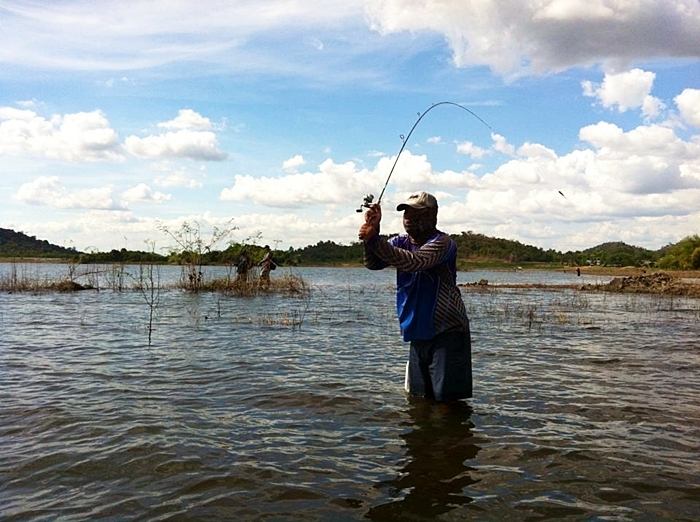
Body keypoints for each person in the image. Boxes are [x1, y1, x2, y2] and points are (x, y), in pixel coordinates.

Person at [359, 192, 472, 402]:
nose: (409, 217)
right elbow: (373, 263)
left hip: (447, 332)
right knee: (419, 401)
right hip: (418, 331)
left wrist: (375, 238)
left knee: (446, 403)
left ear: (432, 216)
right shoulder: (400, 241)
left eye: (416, 213)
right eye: (406, 212)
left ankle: (452, 435)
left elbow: (414, 262)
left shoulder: (443, 243)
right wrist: (371, 236)